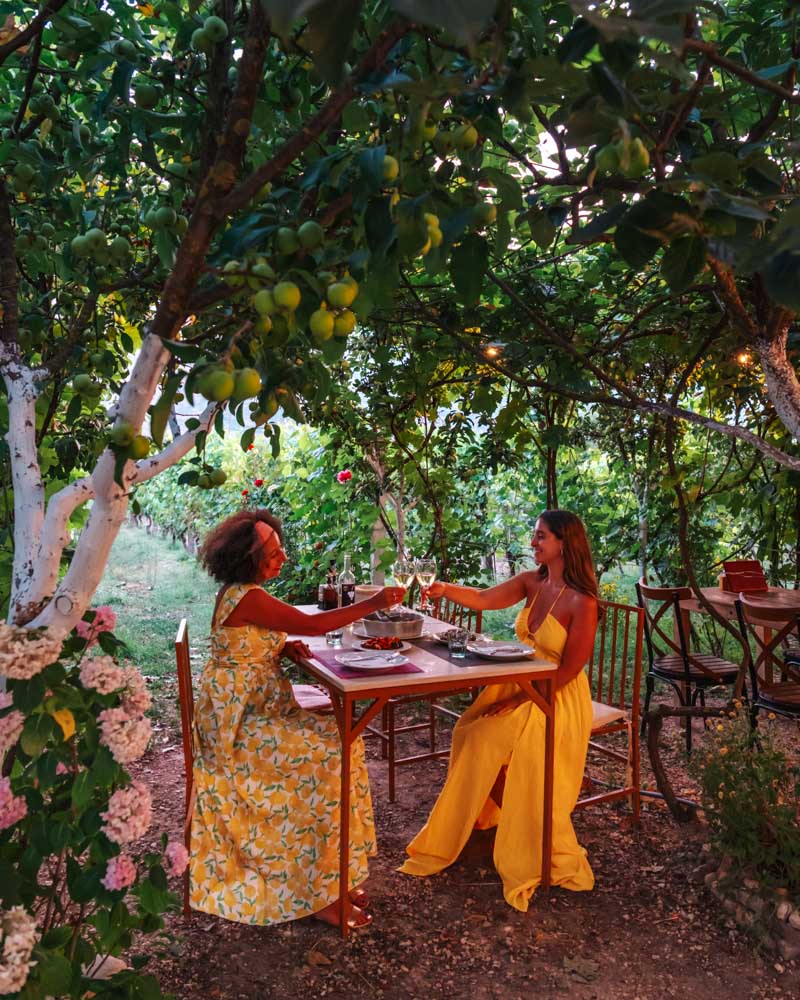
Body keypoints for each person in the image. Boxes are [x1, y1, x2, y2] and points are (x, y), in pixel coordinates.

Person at [188, 509, 405, 930]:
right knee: (334, 754)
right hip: (237, 729)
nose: (283, 557)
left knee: (341, 745)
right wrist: (373, 603)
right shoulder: (248, 596)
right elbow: (312, 624)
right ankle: (318, 891)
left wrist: (279, 648)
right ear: (247, 558)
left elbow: (247, 639)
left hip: (247, 711)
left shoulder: (241, 593)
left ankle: (331, 879)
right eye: (273, 552)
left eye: (281, 548)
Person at [399, 509, 599, 912]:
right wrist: (441, 589)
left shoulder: (583, 601)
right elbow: (484, 599)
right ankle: (502, 819)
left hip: (553, 694)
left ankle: (535, 831)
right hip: (518, 681)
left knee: (486, 738)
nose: (533, 543)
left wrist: (521, 697)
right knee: (468, 731)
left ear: (565, 542)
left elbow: (571, 668)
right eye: (534, 535)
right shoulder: (532, 582)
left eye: (541, 536)